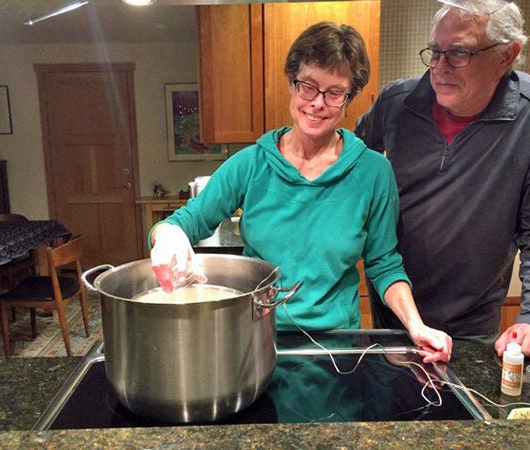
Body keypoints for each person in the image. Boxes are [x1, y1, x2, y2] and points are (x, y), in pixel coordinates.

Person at [149, 22, 452, 363]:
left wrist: (416, 325)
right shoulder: (251, 164)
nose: (317, 103)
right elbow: (181, 223)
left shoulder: (373, 172)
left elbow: (384, 264)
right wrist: (168, 237)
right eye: (308, 86)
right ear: (291, 83)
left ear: (349, 99)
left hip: (338, 346)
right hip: (258, 339)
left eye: (334, 92)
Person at [354, 0, 530, 359]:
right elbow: (347, 166)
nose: (439, 68)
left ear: (507, 56)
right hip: (393, 314)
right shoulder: (396, 103)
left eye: (459, 53)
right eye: (435, 52)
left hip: (471, 325)